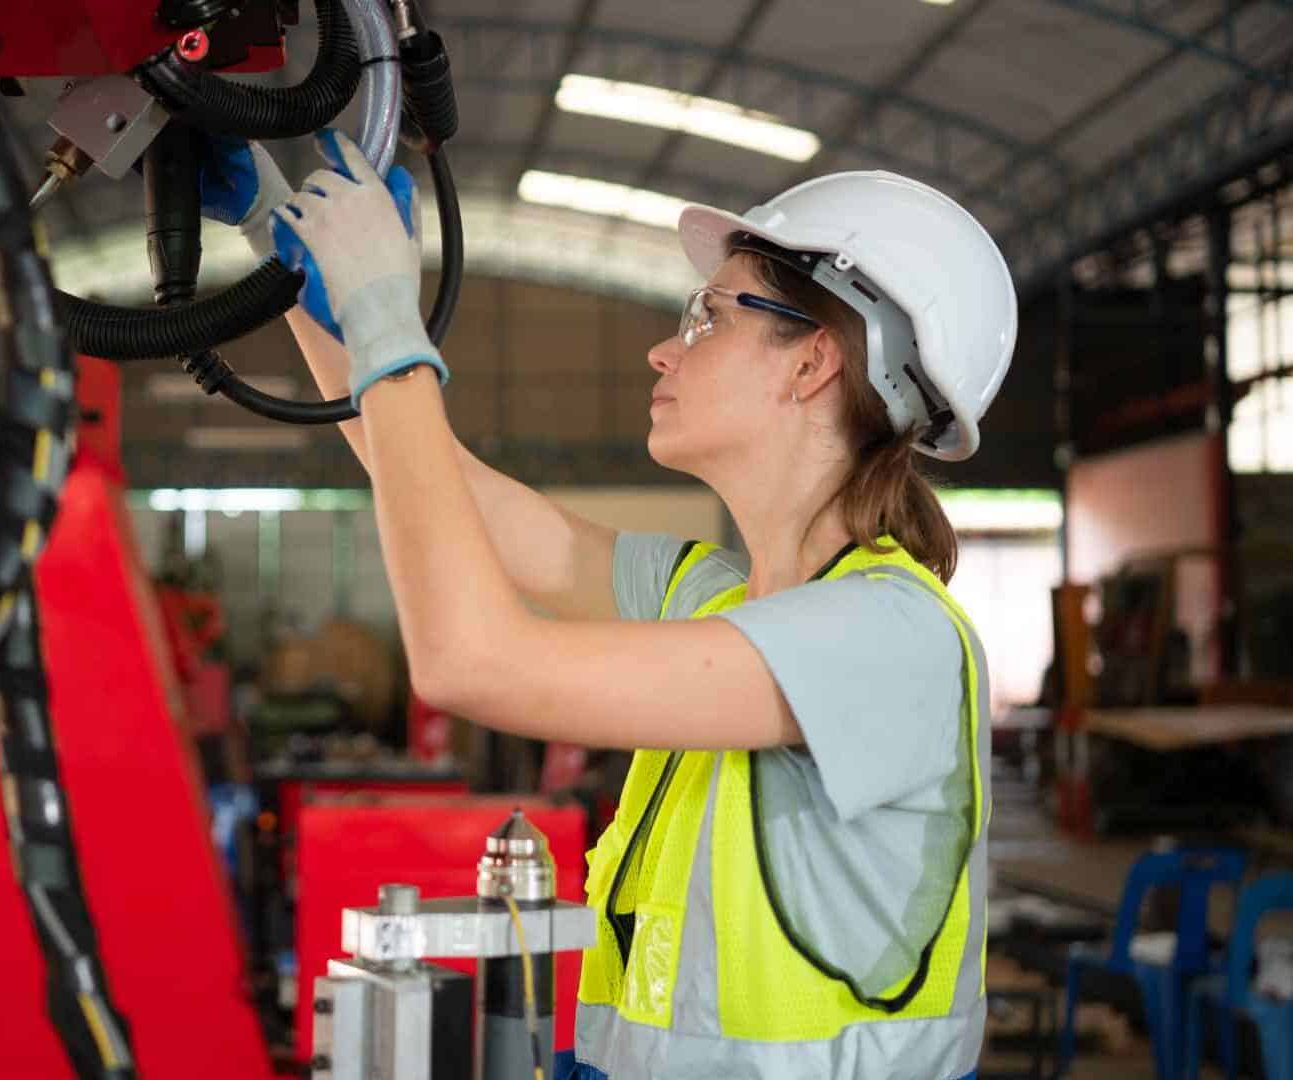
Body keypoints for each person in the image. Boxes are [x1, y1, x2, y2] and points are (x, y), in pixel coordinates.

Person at [200, 130, 1014, 1080]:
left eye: (707, 317)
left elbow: (471, 660)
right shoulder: (719, 597)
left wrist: (390, 314)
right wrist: (291, 261)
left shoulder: (886, 636)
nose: (664, 349)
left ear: (813, 366)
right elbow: (452, 497)